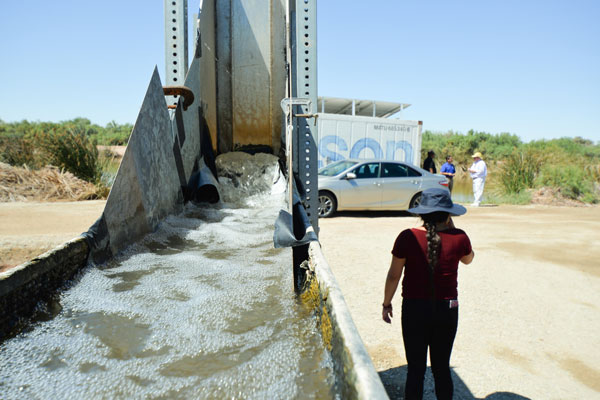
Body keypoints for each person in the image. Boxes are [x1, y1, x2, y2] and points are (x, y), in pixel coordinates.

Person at [382, 188, 474, 400]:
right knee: (441, 368)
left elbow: (394, 275)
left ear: (421, 213)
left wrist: (386, 303)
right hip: (448, 308)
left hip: (414, 309)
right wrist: (452, 228)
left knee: (416, 369)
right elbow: (468, 259)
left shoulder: (407, 237)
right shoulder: (460, 237)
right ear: (448, 213)